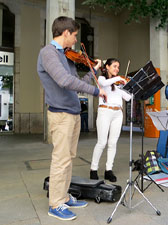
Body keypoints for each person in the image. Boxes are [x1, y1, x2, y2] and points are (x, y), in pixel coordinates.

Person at [37, 16, 106, 221]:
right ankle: (55, 204)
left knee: (68, 159)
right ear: (65, 33)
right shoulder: (48, 53)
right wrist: (95, 91)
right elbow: (64, 81)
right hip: (60, 114)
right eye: (75, 35)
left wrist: (92, 70)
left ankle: (64, 196)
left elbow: (75, 82)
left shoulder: (66, 56)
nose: (76, 40)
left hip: (72, 113)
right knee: (60, 160)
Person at [90, 58, 131, 182]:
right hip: (105, 112)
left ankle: (109, 170)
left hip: (118, 114)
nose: (117, 69)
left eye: (118, 67)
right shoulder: (102, 79)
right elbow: (104, 85)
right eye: (114, 66)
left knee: (113, 143)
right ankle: (93, 169)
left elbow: (128, 98)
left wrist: (129, 87)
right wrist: (119, 79)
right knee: (102, 142)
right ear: (107, 67)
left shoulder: (118, 85)